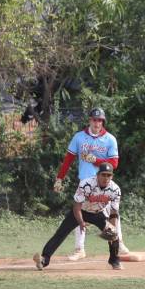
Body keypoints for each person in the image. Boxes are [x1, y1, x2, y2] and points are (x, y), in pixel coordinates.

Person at [54, 107, 129, 259]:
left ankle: (118, 243)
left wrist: (96, 160)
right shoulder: (79, 137)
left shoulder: (110, 139)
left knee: (112, 214)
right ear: (90, 120)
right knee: (79, 214)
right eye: (94, 119)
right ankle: (79, 249)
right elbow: (68, 159)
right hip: (86, 183)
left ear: (103, 122)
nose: (97, 123)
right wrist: (59, 178)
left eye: (100, 120)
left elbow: (114, 163)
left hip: (104, 184)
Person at [35, 162, 123, 270]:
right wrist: (81, 222)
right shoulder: (86, 184)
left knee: (114, 234)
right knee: (61, 233)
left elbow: (114, 212)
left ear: (112, 176)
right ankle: (44, 259)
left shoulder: (115, 190)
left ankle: (114, 260)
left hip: (97, 213)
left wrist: (112, 228)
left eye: (108, 175)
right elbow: (77, 207)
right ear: (97, 175)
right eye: (103, 174)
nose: (106, 178)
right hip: (81, 211)